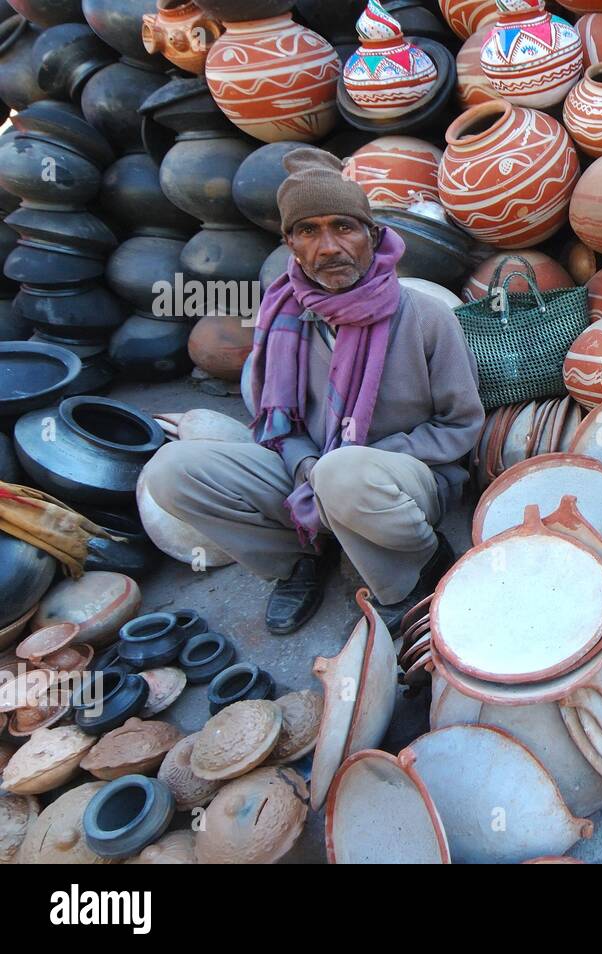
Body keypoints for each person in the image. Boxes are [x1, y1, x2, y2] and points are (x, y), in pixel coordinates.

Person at [143, 148, 484, 634]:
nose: (328, 247)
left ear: (373, 235)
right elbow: (277, 425)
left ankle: (415, 568)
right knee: (171, 470)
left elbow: (460, 426)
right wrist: (307, 465)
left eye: (344, 227)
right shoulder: (282, 315)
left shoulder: (426, 316)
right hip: (310, 470)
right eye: (309, 231)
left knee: (343, 474)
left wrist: (347, 460)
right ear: (290, 245)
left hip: (402, 480)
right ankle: (298, 557)